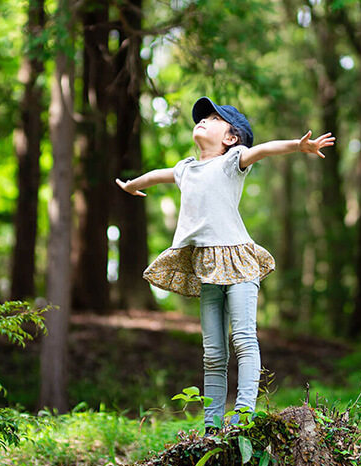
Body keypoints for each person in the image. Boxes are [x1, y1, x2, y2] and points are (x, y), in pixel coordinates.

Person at [116, 97, 335, 432]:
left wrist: (297, 145)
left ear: (231, 138)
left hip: (238, 262)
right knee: (213, 353)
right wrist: (132, 186)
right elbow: (156, 176)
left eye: (214, 118)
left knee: (244, 339)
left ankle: (243, 415)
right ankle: (212, 427)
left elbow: (261, 150)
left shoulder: (233, 160)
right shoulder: (186, 168)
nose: (203, 120)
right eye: (202, 117)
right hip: (206, 266)